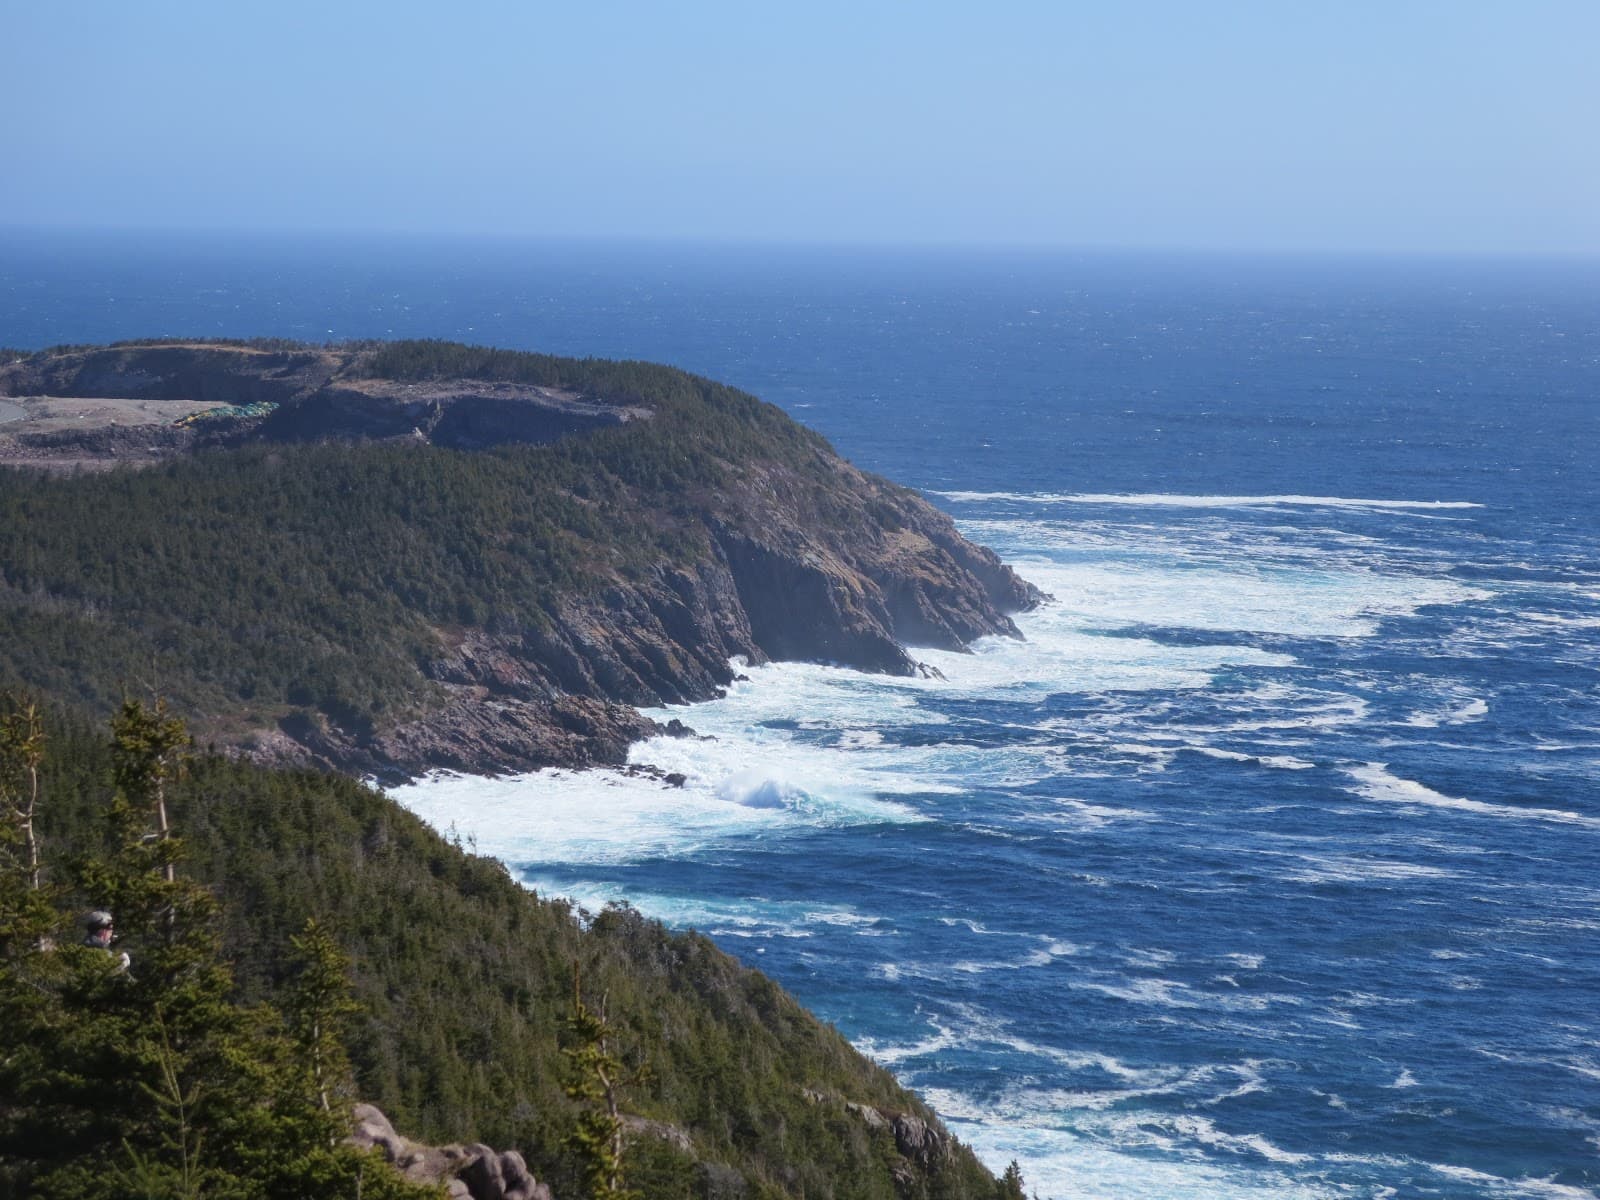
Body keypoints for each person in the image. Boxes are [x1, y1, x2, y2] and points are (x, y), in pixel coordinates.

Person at [82, 910, 131, 974]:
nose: (112, 932)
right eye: (111, 929)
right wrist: (121, 966)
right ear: (103, 930)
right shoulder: (100, 949)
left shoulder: (84, 945)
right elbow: (102, 976)